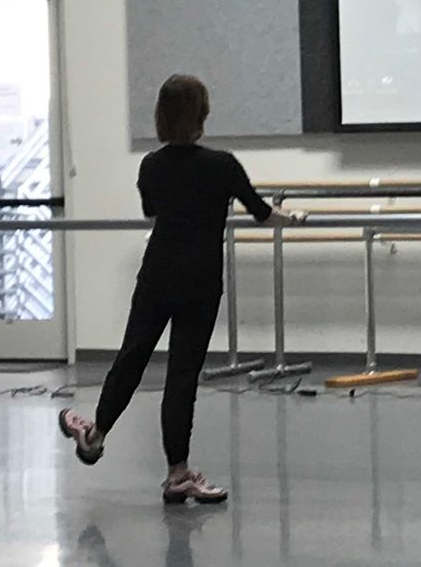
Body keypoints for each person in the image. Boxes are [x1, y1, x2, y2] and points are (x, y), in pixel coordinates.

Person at [59, 75, 300, 504]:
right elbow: (263, 214)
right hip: (201, 282)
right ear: (201, 116)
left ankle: (93, 435)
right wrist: (292, 218)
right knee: (182, 376)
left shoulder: (151, 165)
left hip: (158, 276)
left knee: (131, 359)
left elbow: (152, 209)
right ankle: (177, 473)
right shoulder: (223, 165)